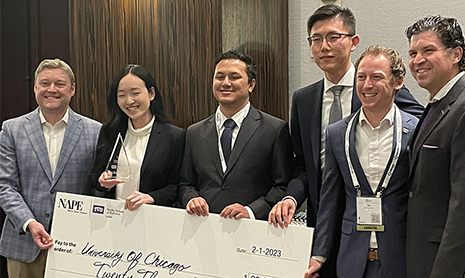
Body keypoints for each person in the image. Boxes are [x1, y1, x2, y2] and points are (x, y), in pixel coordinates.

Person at [268, 4, 423, 231]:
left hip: (373, 219)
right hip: (322, 218)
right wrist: (291, 198)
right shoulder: (303, 100)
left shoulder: (376, 87)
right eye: (316, 39)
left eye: (333, 37)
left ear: (353, 42)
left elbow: (422, 125)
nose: (324, 47)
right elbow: (303, 165)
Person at [304, 45, 417, 278]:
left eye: (377, 77)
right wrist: (319, 254)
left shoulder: (416, 131)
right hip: (351, 257)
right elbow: (330, 198)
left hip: (401, 255)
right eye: (361, 77)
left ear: (398, 81)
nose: (367, 85)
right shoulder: (338, 133)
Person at [405, 15, 465, 278]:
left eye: (428, 50)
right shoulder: (438, 105)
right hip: (426, 257)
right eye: (413, 53)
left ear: (456, 54)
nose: (417, 60)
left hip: (455, 266)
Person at [0, 59, 101, 278]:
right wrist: (29, 223)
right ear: (35, 87)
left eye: (60, 84)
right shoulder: (12, 130)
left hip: (77, 246)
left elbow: (97, 188)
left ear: (72, 89)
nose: (51, 89)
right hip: (23, 244)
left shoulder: (95, 131)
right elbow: (5, 186)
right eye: (44, 83)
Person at [178, 50, 294, 220]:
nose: (225, 83)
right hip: (204, 229)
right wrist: (191, 198)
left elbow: (283, 185)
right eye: (219, 77)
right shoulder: (195, 132)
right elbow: (185, 183)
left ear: (251, 84)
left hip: (252, 233)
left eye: (234, 77)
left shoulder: (274, 129)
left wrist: (251, 210)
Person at [90, 64, 185, 210]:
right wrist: (103, 182)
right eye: (121, 95)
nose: (129, 101)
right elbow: (95, 178)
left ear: (151, 93)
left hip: (152, 219)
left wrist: (152, 197)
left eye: (135, 93)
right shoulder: (110, 131)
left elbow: (177, 187)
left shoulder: (173, 136)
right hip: (113, 218)